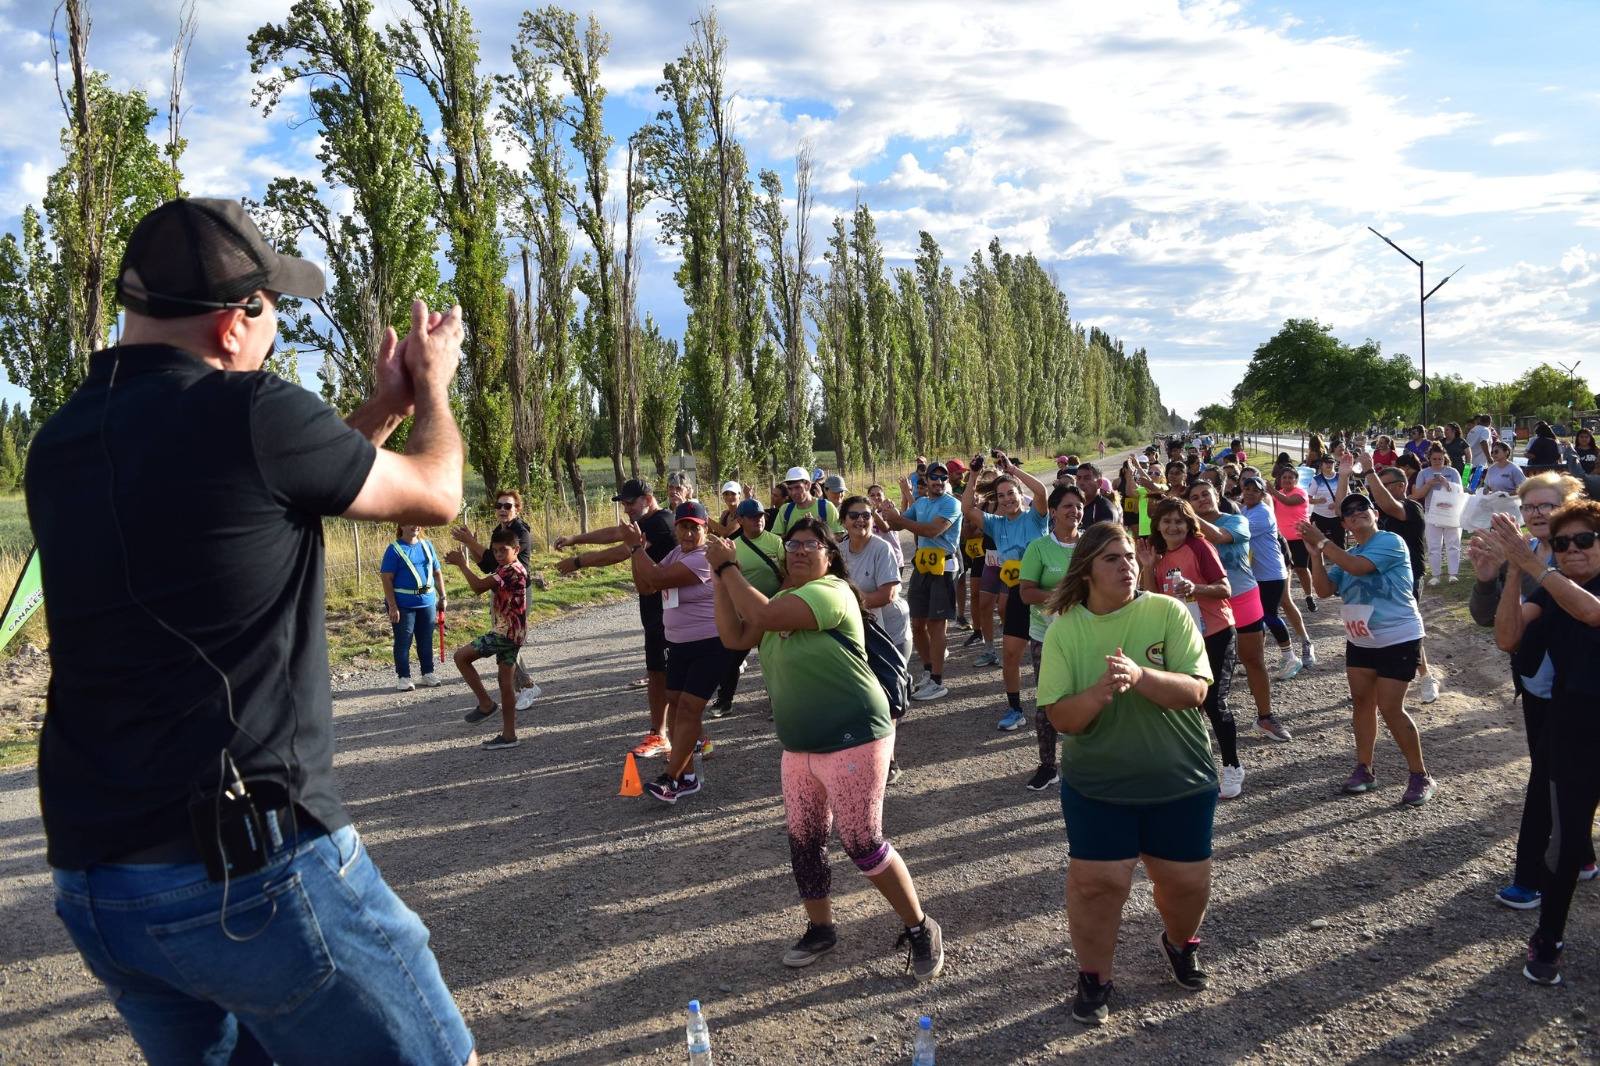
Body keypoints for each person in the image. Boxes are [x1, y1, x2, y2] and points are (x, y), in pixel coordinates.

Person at [30, 198, 477, 1063]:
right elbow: (437, 492)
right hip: (249, 869)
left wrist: (379, 410)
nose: (274, 335)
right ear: (234, 323)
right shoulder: (252, 412)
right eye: (273, 311)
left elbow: (266, 498)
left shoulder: (60, 443)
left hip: (100, 883)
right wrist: (432, 386)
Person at [705, 518, 946, 980]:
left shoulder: (831, 592)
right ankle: (821, 928)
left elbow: (764, 618)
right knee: (805, 841)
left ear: (829, 555)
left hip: (855, 736)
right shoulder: (778, 598)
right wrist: (720, 576)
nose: (798, 550)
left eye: (811, 544)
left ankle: (920, 926)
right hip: (800, 744)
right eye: (792, 543)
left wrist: (729, 566)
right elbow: (734, 637)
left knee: (862, 842)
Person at [1035, 523, 1216, 1026]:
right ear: (1087, 571)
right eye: (1112, 558)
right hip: (1099, 785)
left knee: (1184, 883)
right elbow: (1060, 717)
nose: (1127, 566)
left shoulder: (1167, 611)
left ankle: (1179, 943)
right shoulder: (1065, 630)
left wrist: (1140, 676)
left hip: (1179, 778)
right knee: (1098, 883)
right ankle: (1094, 977)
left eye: (1131, 556)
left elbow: (1196, 690)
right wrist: (1098, 694)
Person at [1481, 502, 1600, 985]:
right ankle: (1548, 937)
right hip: (1574, 730)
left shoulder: (1568, 588)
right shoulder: (1552, 590)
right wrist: (1513, 573)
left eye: (1584, 540)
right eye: (1561, 543)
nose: (1571, 550)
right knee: (1567, 844)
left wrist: (1533, 563)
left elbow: (1592, 612)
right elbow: (1507, 638)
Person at [1297, 494, 1436, 805]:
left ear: (1374, 513)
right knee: (1362, 703)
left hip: (1398, 636)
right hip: (1361, 639)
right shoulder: (1347, 553)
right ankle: (1365, 769)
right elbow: (1324, 590)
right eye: (1349, 512)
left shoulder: (1390, 541)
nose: (1356, 512)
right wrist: (1316, 556)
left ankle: (1420, 775)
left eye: (1362, 507)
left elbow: (1359, 568)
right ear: (1345, 524)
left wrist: (1323, 543)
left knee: (1390, 707)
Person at [554, 478, 678, 757]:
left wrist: (578, 561)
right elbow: (615, 533)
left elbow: (620, 552)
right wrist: (575, 539)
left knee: (669, 677)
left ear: (648, 499)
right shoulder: (645, 522)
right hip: (653, 607)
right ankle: (660, 734)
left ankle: (686, 738)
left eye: (630, 503)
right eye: (623, 503)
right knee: (656, 672)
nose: (626, 508)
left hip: (667, 611)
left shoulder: (661, 522)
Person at [621, 501, 728, 804]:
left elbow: (656, 579)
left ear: (706, 529)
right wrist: (635, 552)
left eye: (695, 527)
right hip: (678, 644)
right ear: (676, 529)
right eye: (683, 527)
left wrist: (636, 549)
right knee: (677, 705)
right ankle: (688, 777)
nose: (689, 533)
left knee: (689, 709)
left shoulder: (704, 557)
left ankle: (671, 778)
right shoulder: (677, 553)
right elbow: (646, 586)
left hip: (709, 644)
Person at [1142, 496, 1246, 797]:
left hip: (1216, 632)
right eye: (1167, 521)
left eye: (1179, 521)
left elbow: (1225, 588)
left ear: (1189, 524)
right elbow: (1153, 599)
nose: (1173, 527)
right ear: (1158, 526)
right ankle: (1195, 766)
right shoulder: (1157, 554)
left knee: (1213, 701)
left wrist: (1194, 587)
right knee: (1186, 703)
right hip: (1183, 637)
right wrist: (1147, 567)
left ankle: (1232, 767)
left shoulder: (1200, 547)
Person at [1187, 479, 1287, 778]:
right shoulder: (1186, 529)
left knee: (1253, 659)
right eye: (1194, 497)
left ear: (1217, 495)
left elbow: (1219, 536)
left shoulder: (1237, 521)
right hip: (1208, 602)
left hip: (1243, 597)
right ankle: (1195, 729)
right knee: (1204, 667)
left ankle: (1265, 716)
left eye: (1206, 494)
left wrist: (1187, 515)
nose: (1201, 499)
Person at [960, 453, 1050, 730]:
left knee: (1049, 659)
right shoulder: (996, 524)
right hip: (1016, 597)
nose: (1007, 499)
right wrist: (973, 476)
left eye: (1011, 493)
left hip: (1043, 597)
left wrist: (1012, 470)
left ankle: (1055, 708)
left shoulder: (1036, 518)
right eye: (1001, 496)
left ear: (1020, 495)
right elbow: (967, 509)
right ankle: (1015, 709)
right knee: (1011, 655)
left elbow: (1041, 491)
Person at [1349, 453, 1444, 703]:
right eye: (1377, 485)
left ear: (1401, 486)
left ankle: (1426, 677)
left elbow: (1391, 506)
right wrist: (1345, 475)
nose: (1377, 490)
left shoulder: (1411, 507)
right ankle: (1376, 676)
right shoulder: (1376, 512)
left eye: (1385, 485)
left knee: (1405, 626)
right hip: (1380, 578)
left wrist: (1369, 472)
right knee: (1377, 623)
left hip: (1408, 579)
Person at [877, 461, 963, 701]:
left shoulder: (952, 504)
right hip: (923, 567)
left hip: (944, 569)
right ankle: (928, 671)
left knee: (936, 625)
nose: (939, 482)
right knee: (917, 624)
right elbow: (894, 525)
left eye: (943, 478)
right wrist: (888, 511)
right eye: (935, 477)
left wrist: (899, 519)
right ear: (927, 480)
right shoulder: (922, 503)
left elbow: (932, 531)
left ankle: (937, 680)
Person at [1017, 483, 1083, 791]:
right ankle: (1047, 766)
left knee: (1086, 696)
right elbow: (1026, 593)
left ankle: (1085, 761)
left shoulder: (1091, 545)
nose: (1075, 511)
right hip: (1047, 636)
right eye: (1068, 506)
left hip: (1087, 635)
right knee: (1048, 701)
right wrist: (1062, 597)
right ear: (1053, 512)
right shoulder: (1039, 547)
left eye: (1079, 506)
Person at [452, 489, 540, 709]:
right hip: (499, 592)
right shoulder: (497, 531)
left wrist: (470, 544)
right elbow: (488, 564)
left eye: (507, 506)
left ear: (517, 509)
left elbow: (496, 562)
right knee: (505, 641)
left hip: (516, 595)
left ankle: (525, 686)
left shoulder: (520, 532)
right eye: (499, 505)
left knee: (507, 639)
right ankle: (519, 689)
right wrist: (471, 545)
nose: (502, 509)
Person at [447, 528, 529, 751]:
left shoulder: (510, 571)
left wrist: (462, 564)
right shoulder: (510, 567)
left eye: (503, 550)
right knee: (505, 684)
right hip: (515, 633)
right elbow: (486, 565)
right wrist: (472, 544)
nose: (499, 555)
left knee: (461, 657)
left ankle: (486, 704)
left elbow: (478, 587)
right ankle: (509, 735)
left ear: (516, 549)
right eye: (495, 551)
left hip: (504, 633)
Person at [708, 498, 784, 717]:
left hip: (772, 610)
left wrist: (780, 602)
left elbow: (787, 574)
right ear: (740, 520)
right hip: (745, 614)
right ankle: (724, 701)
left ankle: (777, 703)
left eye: (760, 516)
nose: (758, 520)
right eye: (752, 517)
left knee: (773, 660)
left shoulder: (776, 542)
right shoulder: (733, 547)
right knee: (732, 659)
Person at [1238, 476, 1312, 686]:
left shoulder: (1262, 512)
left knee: (1269, 615)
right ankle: (1258, 658)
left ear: (1263, 494)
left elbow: (1239, 533)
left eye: (1255, 490)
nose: (1250, 493)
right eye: (1247, 489)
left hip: (1272, 574)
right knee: (1258, 617)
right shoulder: (1245, 511)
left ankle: (1290, 657)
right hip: (1257, 573)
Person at [381, 524, 446, 691]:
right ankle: (404, 677)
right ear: (401, 525)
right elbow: (386, 579)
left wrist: (443, 597)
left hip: (427, 602)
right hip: (403, 604)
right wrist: (392, 606)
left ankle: (427, 673)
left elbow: (436, 572)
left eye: (417, 522)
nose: (415, 526)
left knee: (426, 639)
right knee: (404, 641)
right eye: (410, 522)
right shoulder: (394, 550)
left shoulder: (427, 545)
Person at [1409, 443, 1464, 585]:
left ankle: (1453, 574)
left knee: (1453, 544)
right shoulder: (1423, 473)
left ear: (1444, 458)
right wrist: (1429, 484)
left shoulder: (1452, 472)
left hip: (1451, 512)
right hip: (1432, 512)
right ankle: (1435, 575)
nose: (1438, 461)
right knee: (1434, 546)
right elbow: (1417, 495)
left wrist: (1446, 484)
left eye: (1440, 459)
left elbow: (1460, 492)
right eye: (1434, 459)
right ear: (1429, 459)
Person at [1269, 467, 1317, 616]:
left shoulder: (1300, 493)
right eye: (1284, 477)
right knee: (1284, 571)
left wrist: (1272, 491)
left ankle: (1309, 596)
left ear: (1296, 480)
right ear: (1280, 480)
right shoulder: (1277, 494)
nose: (1287, 480)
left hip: (1300, 538)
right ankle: (1284, 599)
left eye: (1290, 477)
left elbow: (1288, 502)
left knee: (1301, 569)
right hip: (1283, 540)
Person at [774, 465, 842, 536]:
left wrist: (818, 528)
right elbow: (776, 539)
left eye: (797, 487)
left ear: (808, 485)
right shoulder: (785, 510)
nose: (793, 493)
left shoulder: (827, 507)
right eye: (790, 489)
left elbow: (839, 537)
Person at [1306, 454, 1344, 549]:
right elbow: (1307, 499)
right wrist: (1318, 500)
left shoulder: (1341, 477)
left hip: (1336, 517)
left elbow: (1347, 495)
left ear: (1335, 464)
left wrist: (1336, 504)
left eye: (1331, 462)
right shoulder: (1316, 480)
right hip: (1320, 516)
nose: (1329, 464)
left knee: (1340, 544)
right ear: (1321, 464)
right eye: (1326, 462)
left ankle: (1340, 558)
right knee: (1318, 544)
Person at [866, 483, 905, 569]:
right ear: (868, 498)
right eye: (872, 495)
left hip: (893, 559)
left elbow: (885, 528)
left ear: (884, 496)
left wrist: (874, 513)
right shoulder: (866, 516)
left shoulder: (890, 511)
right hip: (875, 560)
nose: (876, 497)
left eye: (879, 495)